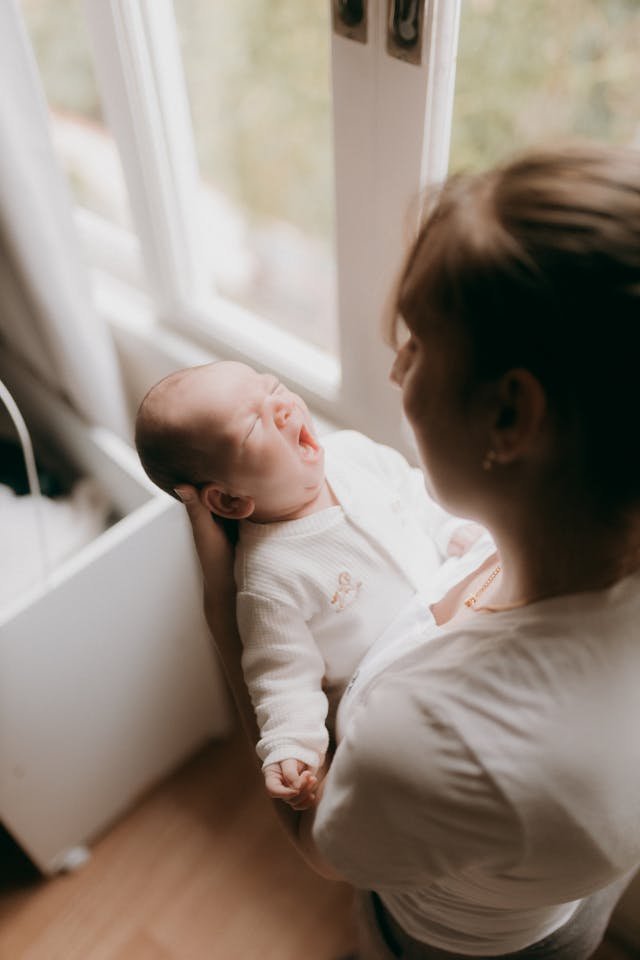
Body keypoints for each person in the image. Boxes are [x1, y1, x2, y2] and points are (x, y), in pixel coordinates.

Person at [175, 141, 640, 960]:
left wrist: (222, 618)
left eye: (418, 344)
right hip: (558, 902)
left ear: (510, 416)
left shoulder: (431, 737)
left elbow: (323, 848)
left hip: (453, 941)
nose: (396, 372)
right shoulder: (573, 546)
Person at [135, 361, 482, 806]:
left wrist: (448, 529)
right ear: (229, 499)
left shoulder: (352, 452)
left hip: (451, 602)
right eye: (254, 423)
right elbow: (280, 675)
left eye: (273, 387)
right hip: (391, 682)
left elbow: (414, 490)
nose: (282, 407)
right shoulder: (268, 577)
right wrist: (291, 747)